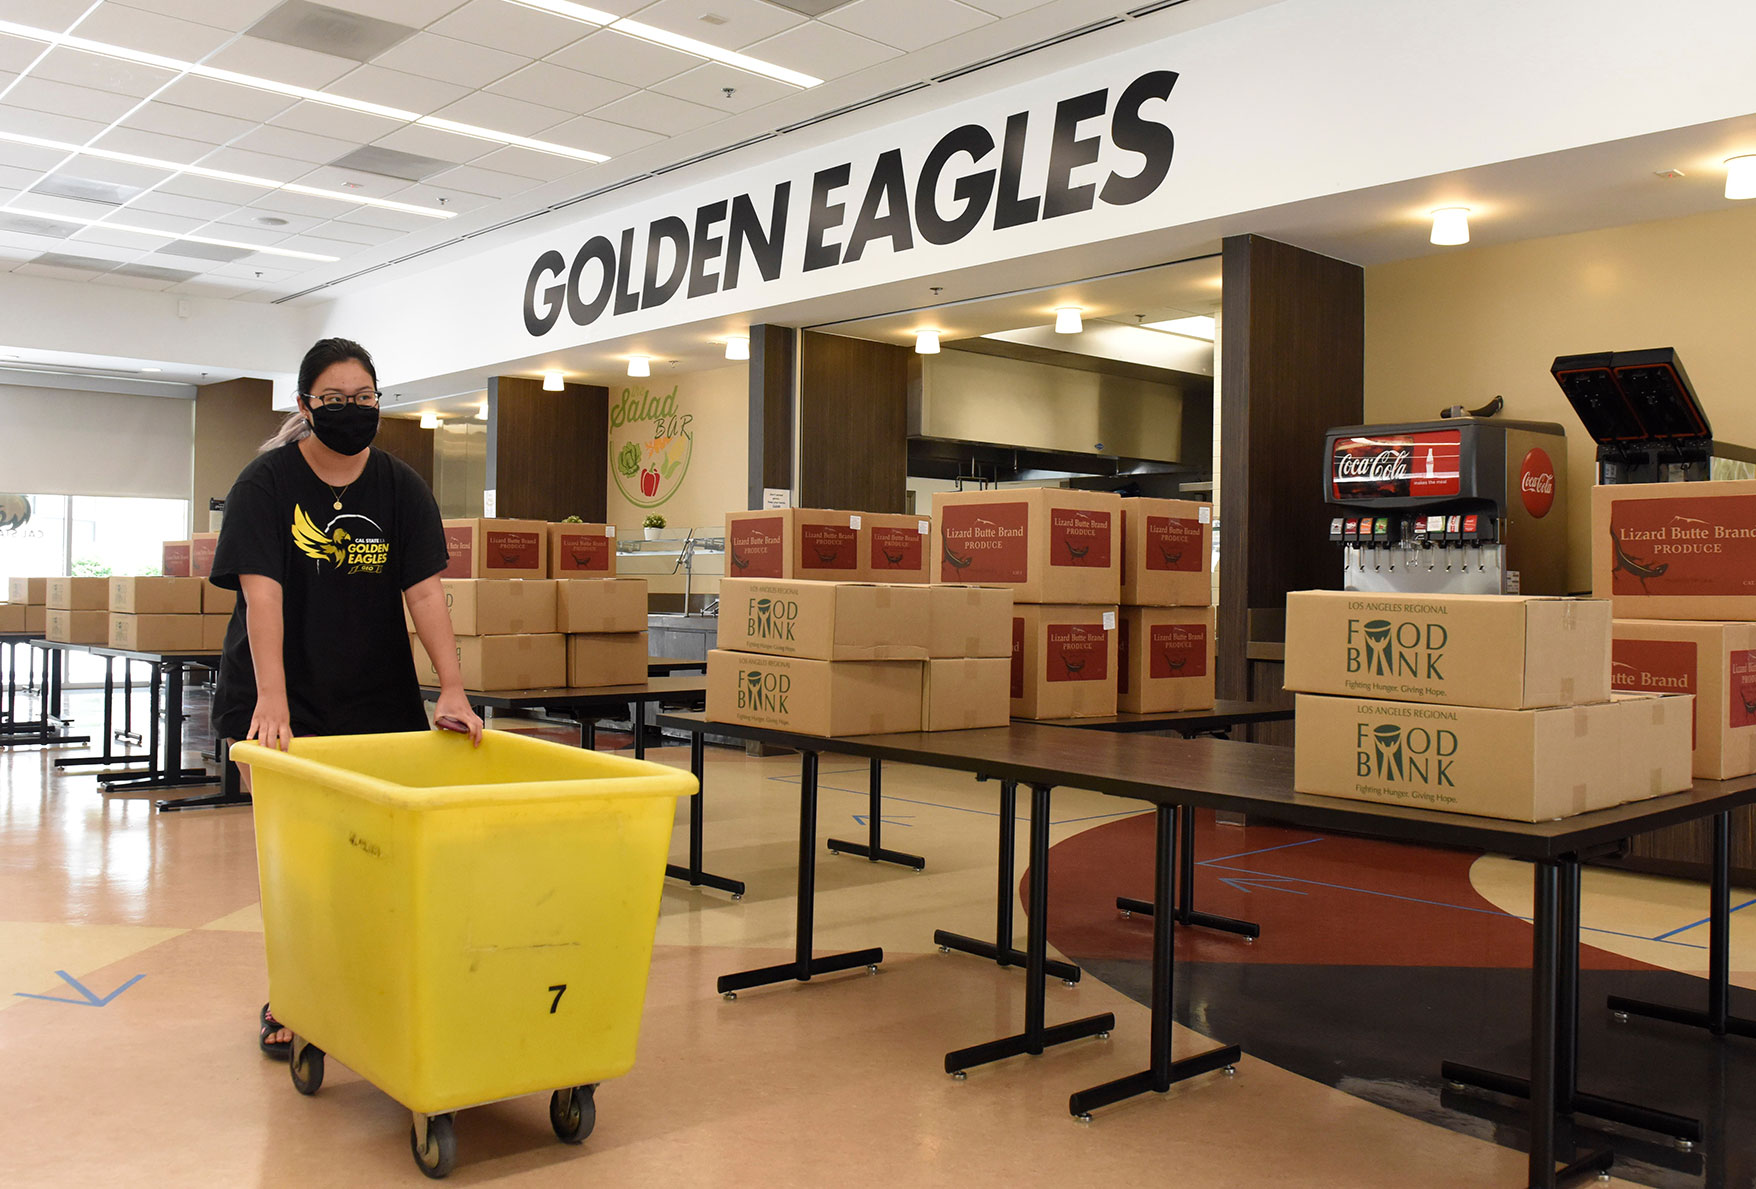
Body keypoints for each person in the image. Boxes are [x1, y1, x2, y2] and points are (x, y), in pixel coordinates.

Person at [208, 336, 483, 1060]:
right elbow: (261, 594)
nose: (352, 411)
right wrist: (274, 702)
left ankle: (365, 983)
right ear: (305, 406)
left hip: (374, 697)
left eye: (364, 398)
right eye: (334, 400)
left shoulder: (400, 488)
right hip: (279, 694)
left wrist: (451, 687)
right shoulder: (264, 485)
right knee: (295, 856)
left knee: (373, 854)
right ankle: (294, 995)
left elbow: (425, 590)